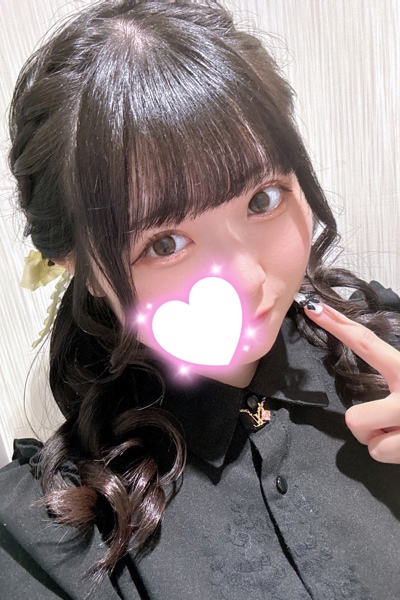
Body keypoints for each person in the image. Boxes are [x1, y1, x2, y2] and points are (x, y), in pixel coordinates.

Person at [1, 1, 400, 599]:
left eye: (263, 199)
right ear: (78, 268)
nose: (246, 279)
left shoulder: (387, 348)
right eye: (164, 243)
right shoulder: (47, 540)